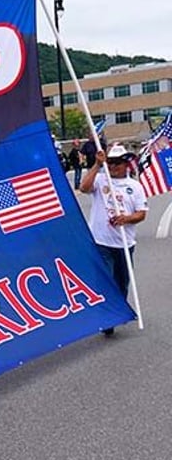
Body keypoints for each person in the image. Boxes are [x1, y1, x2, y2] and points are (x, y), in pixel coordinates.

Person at [79, 143, 148, 336]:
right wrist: (97, 165)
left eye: (117, 162)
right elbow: (83, 188)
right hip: (102, 242)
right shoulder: (101, 180)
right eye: (110, 162)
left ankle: (118, 310)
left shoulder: (134, 187)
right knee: (105, 280)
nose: (113, 166)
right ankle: (108, 318)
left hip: (125, 243)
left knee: (121, 282)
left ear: (126, 164)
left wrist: (126, 219)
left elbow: (141, 214)